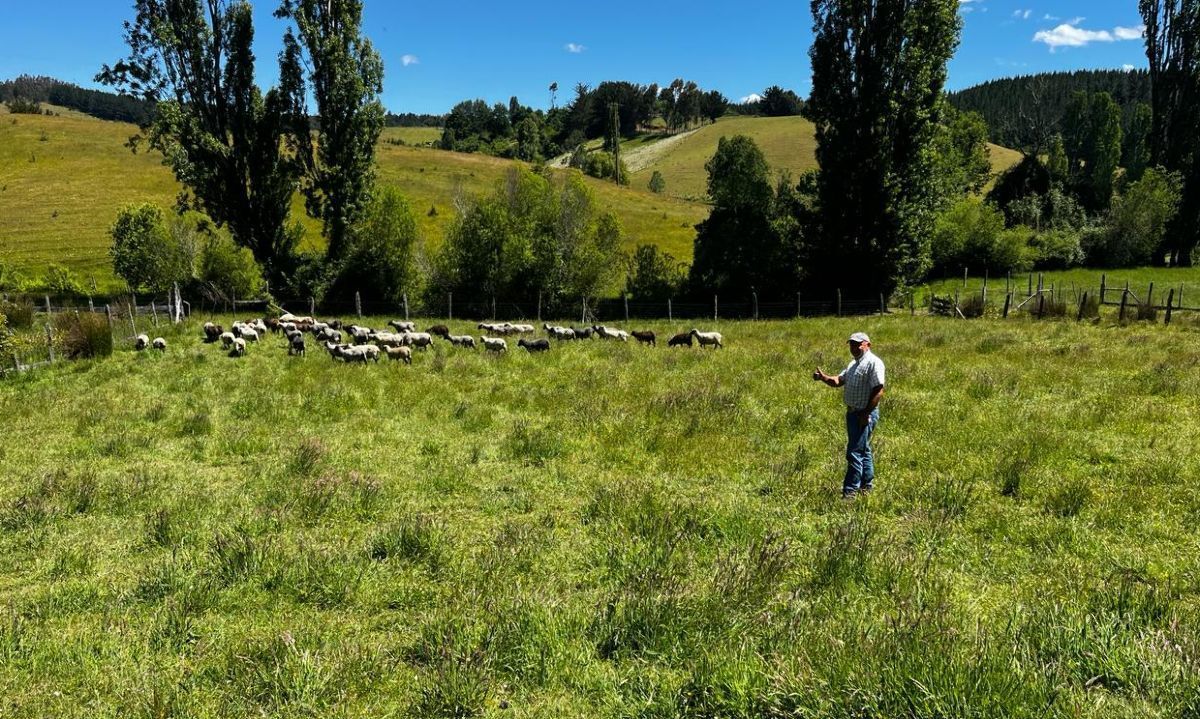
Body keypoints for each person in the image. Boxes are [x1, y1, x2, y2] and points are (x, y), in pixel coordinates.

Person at [812, 332, 886, 498]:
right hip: (852, 413)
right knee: (863, 450)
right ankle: (866, 486)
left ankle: (850, 492)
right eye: (852, 344)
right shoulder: (854, 364)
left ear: (868, 344)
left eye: (858, 344)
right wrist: (823, 378)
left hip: (864, 414)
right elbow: (839, 380)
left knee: (854, 452)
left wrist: (866, 413)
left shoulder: (874, 363)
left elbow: (878, 390)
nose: (854, 347)